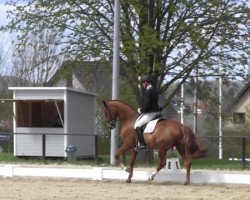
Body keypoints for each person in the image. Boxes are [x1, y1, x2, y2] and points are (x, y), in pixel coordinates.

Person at [134, 75, 161, 151]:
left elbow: (147, 105)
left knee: (137, 125)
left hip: (150, 113)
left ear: (146, 83)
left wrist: (141, 110)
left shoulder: (148, 92)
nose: (143, 85)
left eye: (143, 83)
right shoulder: (155, 90)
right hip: (157, 112)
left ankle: (142, 144)